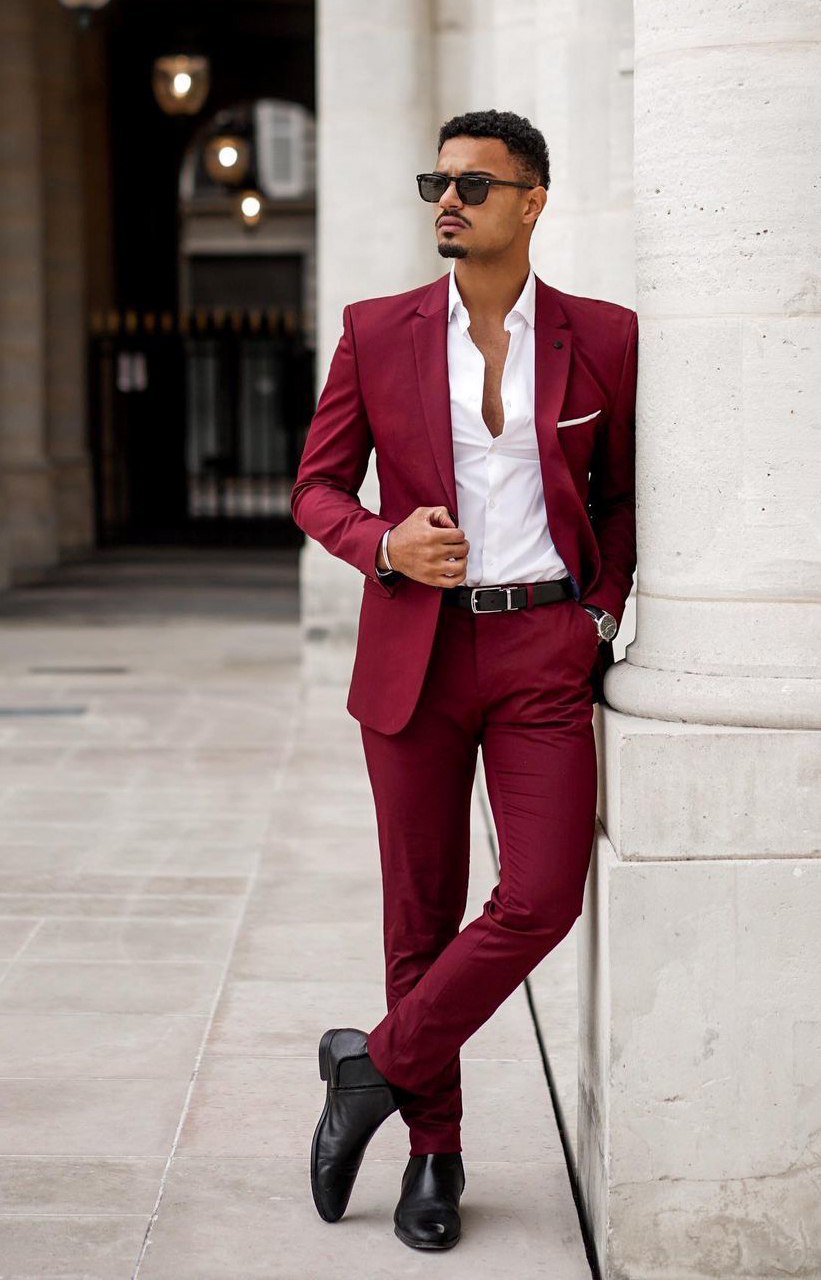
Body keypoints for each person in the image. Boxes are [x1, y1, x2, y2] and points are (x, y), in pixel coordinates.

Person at [290, 108, 638, 1252]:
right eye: (435, 179)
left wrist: (597, 612)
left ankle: (371, 1067)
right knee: (419, 913)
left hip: (542, 649)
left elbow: (628, 495)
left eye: (475, 185)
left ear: (532, 200)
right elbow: (317, 487)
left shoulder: (605, 336)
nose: (448, 198)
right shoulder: (376, 331)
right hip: (416, 656)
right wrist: (381, 543)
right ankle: (432, 1152)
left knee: (540, 894)